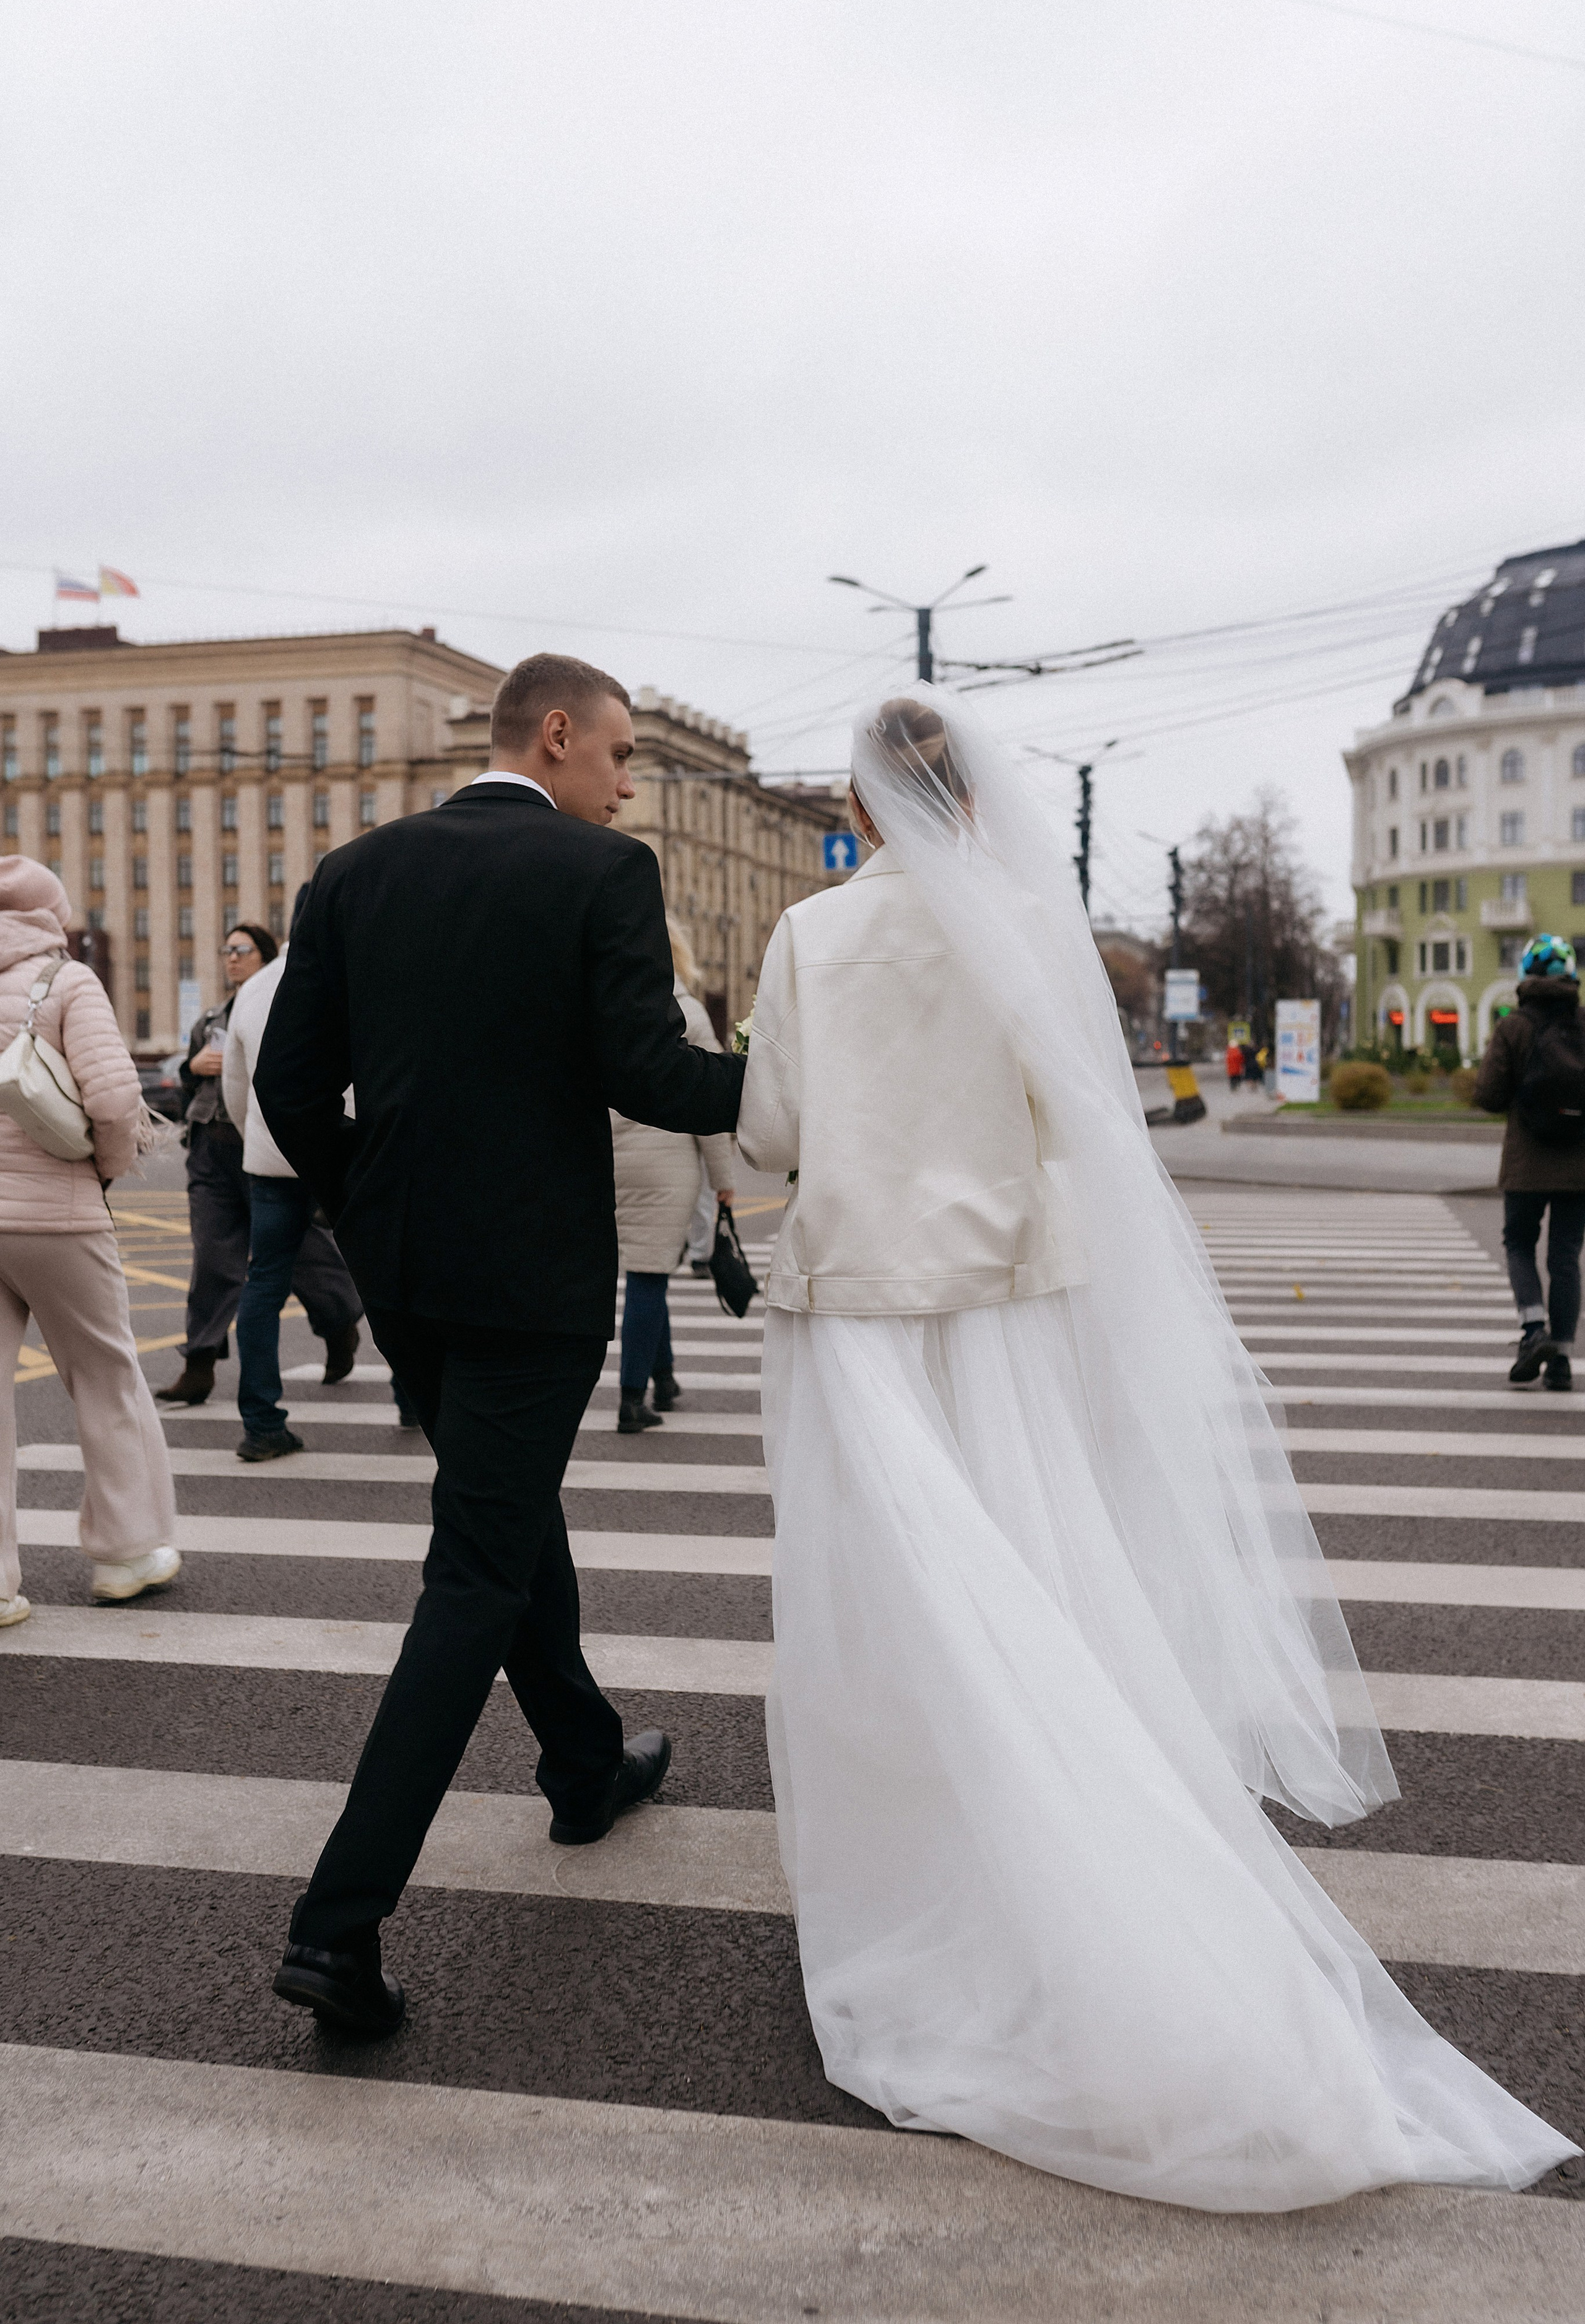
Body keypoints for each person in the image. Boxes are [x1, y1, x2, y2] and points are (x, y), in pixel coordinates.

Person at [736, 690, 1574, 2211]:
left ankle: (949, 1859)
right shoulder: (1015, 930)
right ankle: (1073, 1853)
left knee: (903, 1602)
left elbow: (771, 1131)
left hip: (863, 1304)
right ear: (974, 802)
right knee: (1040, 1574)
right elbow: (1080, 1125)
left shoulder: (811, 937)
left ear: (855, 806)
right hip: (1006, 1297)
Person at [254, 651, 744, 2034]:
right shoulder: (600, 875)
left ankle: (584, 1763)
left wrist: (378, 1197)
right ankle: (335, 1927)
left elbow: (290, 1082)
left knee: (504, 1511)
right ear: (553, 735)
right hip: (532, 1278)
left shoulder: (353, 873)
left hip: (408, 1273)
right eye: (621, 752)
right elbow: (649, 1072)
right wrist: (795, 1076)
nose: (629, 779)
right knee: (474, 1566)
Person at [0, 857, 180, 1627]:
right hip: (57, 1214)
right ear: (51, 914)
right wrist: (103, 1173)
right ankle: (126, 1553)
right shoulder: (66, 982)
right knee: (106, 1374)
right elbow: (112, 1100)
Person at [156, 922, 364, 1407]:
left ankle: (339, 1325)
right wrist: (192, 1069)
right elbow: (190, 1084)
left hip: (263, 1146)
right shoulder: (211, 1017)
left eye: (241, 950)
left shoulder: (280, 997)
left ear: (265, 957)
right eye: (226, 949)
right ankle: (200, 1363)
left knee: (306, 1257)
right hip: (212, 1147)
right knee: (212, 1256)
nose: (231, 958)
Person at [222, 900, 364, 1463]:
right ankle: (412, 1402)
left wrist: (257, 1135)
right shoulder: (358, 971)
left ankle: (261, 1423)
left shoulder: (256, 987)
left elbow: (236, 1086)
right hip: (349, 1152)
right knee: (385, 1273)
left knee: (263, 1284)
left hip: (272, 1157)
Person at [612, 913, 736, 1429]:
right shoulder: (688, 1013)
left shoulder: (608, 1007)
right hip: (669, 1166)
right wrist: (725, 1179)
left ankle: (662, 1376)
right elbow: (703, 1104)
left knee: (651, 1262)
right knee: (648, 1274)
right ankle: (631, 1398)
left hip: (616, 1159)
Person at [1473, 933, 1585, 1391]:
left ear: (1527, 973)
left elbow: (1488, 1095)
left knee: (1519, 1245)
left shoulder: (1513, 1027)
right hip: (1579, 1166)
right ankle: (1560, 1360)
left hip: (1525, 1163)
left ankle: (1533, 1328)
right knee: (1565, 1258)